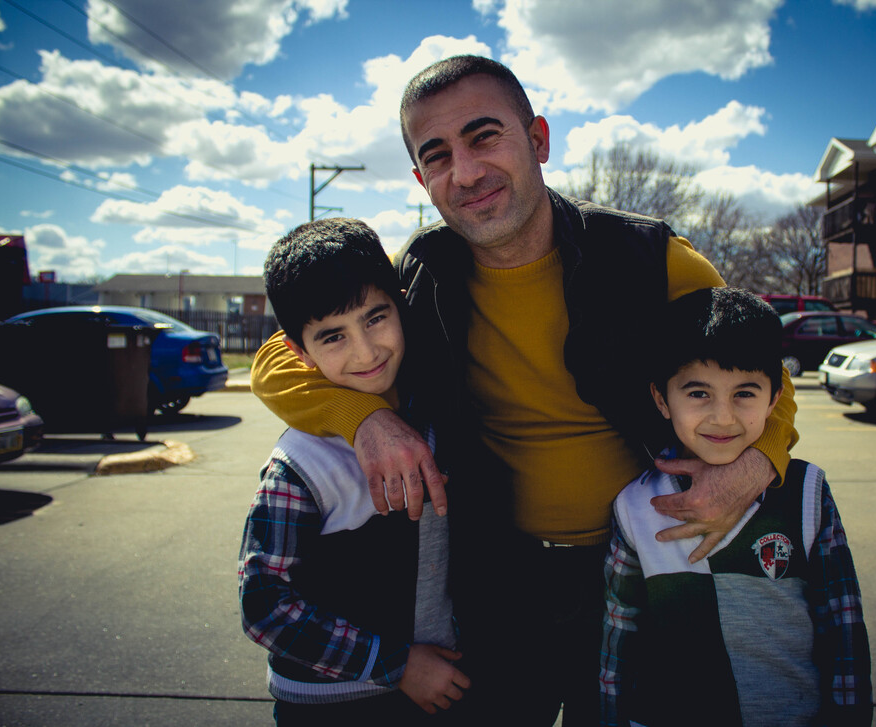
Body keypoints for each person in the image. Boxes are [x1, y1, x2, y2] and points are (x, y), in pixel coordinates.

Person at [250, 55, 799, 725]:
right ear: (423, 179)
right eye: (439, 155)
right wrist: (364, 419)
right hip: (495, 584)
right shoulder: (420, 274)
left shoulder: (650, 259)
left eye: (485, 137)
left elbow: (770, 374)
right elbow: (276, 360)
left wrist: (753, 466)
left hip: (638, 569)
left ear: (537, 139)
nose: (467, 171)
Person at [600, 287, 872, 727]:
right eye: (698, 394)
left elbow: (843, 630)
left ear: (776, 398)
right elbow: (619, 640)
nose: (723, 417)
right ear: (660, 399)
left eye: (745, 393)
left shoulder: (807, 493)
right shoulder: (634, 506)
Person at [238, 218, 470, 726]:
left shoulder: (430, 413)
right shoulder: (301, 465)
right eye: (333, 336)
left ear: (402, 303)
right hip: (331, 708)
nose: (366, 352)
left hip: (438, 689)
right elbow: (263, 605)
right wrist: (396, 665)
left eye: (375, 318)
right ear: (298, 352)